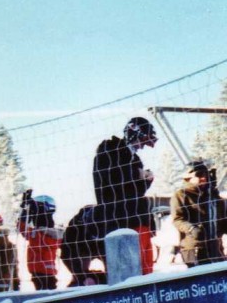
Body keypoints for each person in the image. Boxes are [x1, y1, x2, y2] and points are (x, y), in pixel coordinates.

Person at [93, 116, 158, 274]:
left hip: (138, 216)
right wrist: (138, 174)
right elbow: (112, 181)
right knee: (127, 269)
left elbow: (135, 191)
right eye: (143, 141)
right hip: (119, 219)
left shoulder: (135, 159)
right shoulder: (109, 149)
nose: (142, 146)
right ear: (134, 133)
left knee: (145, 267)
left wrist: (146, 180)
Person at [169, 159, 227, 266]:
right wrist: (191, 229)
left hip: (215, 247)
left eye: (206, 175)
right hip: (194, 247)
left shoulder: (214, 198)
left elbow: (222, 220)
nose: (203, 178)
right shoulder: (181, 195)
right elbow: (178, 219)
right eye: (199, 175)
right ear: (188, 177)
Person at [17, 191, 64, 290]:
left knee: (47, 295)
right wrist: (26, 210)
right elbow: (21, 227)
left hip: (44, 272)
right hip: (39, 271)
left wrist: (27, 211)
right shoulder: (37, 233)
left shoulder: (45, 236)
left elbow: (22, 228)